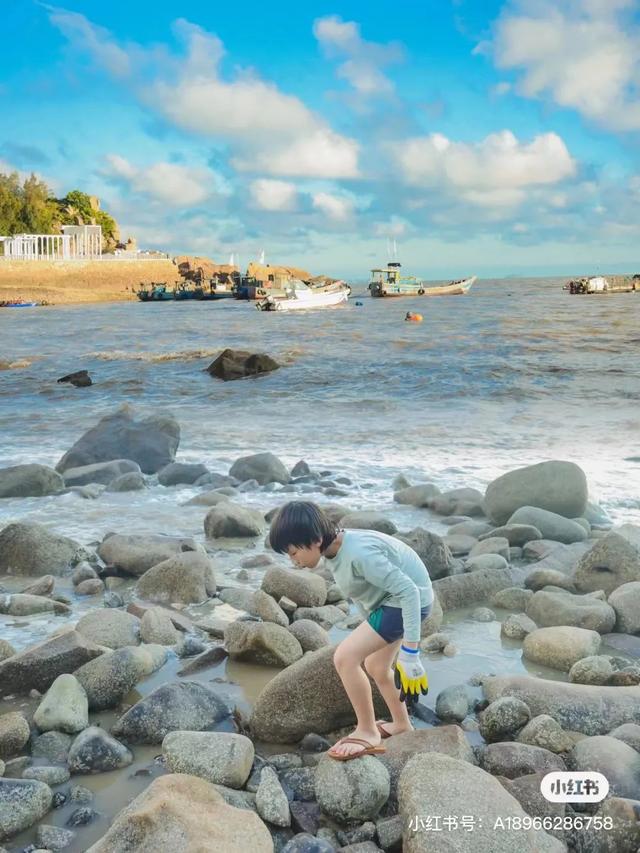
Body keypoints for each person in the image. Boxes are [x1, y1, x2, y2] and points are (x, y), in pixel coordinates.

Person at [269, 501, 433, 761]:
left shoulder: (359, 554)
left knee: (345, 658)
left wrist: (411, 652)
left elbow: (409, 591)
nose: (294, 561)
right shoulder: (335, 551)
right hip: (390, 603)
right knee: (376, 665)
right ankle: (402, 725)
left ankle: (368, 731)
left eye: (293, 553)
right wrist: (376, 634)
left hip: (407, 602)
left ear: (314, 539)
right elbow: (363, 596)